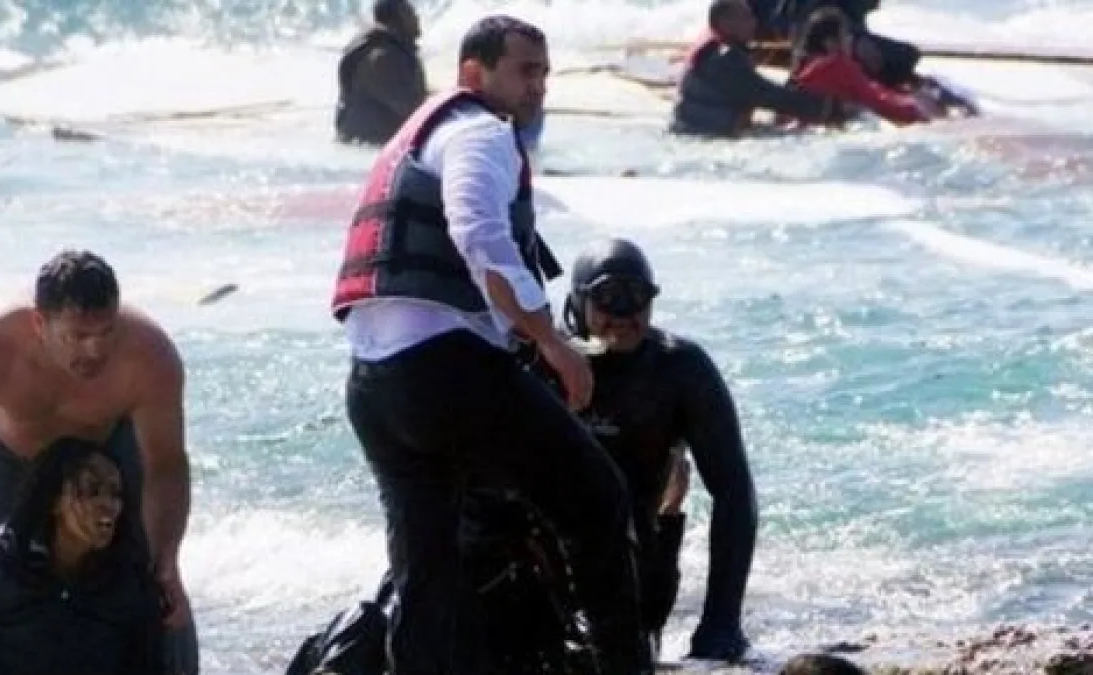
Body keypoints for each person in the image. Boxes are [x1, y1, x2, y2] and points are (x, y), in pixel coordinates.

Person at [330, 11, 652, 675]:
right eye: (525, 71)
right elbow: (479, 233)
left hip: (375, 385)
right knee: (597, 499)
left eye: (545, 73)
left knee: (426, 567)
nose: (539, 87)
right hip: (446, 373)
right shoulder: (480, 132)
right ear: (474, 73)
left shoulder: (417, 136)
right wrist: (550, 340)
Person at [0, 250, 198, 674]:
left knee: (156, 600)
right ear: (39, 323)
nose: (95, 350)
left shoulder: (149, 355)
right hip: (4, 456)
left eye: (106, 331)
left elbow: (166, 466)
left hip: (103, 452)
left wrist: (166, 559)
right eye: (77, 336)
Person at [559, 238, 758, 661]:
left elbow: (734, 491)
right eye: (608, 297)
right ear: (577, 301)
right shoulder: (547, 362)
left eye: (637, 297)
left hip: (639, 561)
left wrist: (721, 623)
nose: (623, 314)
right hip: (554, 560)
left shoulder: (680, 369)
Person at [0, 436, 167, 675]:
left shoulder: (129, 583)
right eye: (92, 489)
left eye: (115, 493)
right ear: (54, 500)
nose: (108, 504)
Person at [670, 0, 841, 137]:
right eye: (746, 17)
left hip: (703, 127)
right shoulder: (723, 58)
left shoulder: (720, 51)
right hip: (704, 132)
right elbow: (764, 94)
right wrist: (822, 109)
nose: (754, 23)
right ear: (725, 23)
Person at [786, 8, 932, 127]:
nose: (850, 41)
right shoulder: (837, 65)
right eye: (846, 36)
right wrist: (917, 111)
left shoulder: (802, 69)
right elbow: (877, 101)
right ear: (830, 43)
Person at [335, 0, 429, 146]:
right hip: (368, 146)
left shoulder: (392, 51)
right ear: (397, 19)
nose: (417, 18)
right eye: (411, 13)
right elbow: (411, 109)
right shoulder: (382, 57)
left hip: (373, 144)